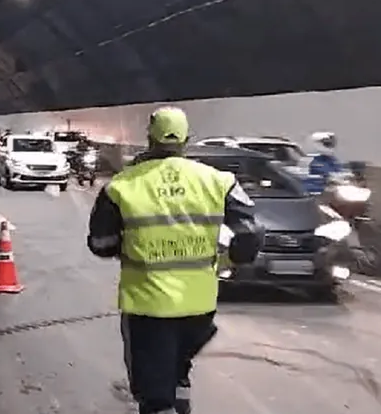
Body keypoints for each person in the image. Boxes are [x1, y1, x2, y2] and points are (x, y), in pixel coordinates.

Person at [86, 106, 264, 414]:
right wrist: (233, 260)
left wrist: (127, 246)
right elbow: (252, 231)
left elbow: (101, 244)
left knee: (154, 392)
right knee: (179, 369)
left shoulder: (121, 186)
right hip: (199, 305)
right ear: (186, 139)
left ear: (149, 138)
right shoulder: (219, 180)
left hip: (148, 305)